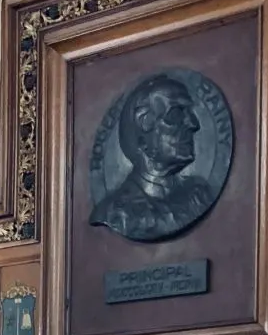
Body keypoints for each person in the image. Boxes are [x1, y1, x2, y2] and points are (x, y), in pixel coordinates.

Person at [88, 73, 220, 243]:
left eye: (190, 113)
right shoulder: (115, 213)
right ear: (144, 127)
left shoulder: (199, 196)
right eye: (176, 115)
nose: (193, 124)